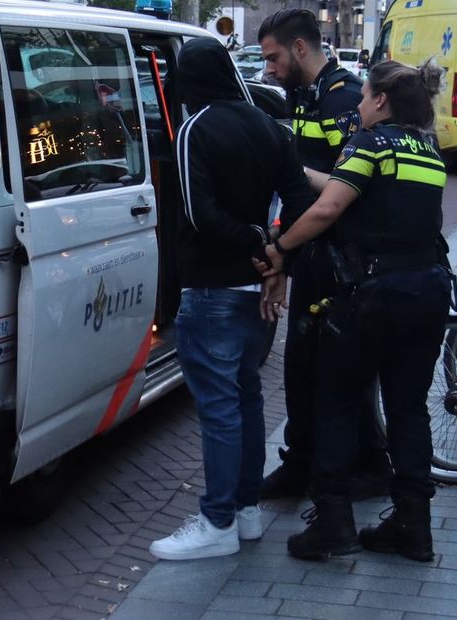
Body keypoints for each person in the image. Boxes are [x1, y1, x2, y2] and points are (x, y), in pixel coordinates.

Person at [258, 59, 452, 563]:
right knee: (408, 409)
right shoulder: (427, 151)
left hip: (374, 294)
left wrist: (279, 247)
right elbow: (361, 191)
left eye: (366, 97)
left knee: (337, 400)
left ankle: (333, 522)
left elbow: (329, 210)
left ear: (381, 101)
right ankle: (413, 525)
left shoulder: (371, 143)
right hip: (428, 289)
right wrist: (302, 171)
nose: (360, 105)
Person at [148, 36, 314, 561]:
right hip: (259, 291)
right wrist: (278, 254)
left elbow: (198, 214)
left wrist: (257, 242)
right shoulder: (269, 126)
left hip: (213, 287)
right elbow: (301, 200)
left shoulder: (195, 128)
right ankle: (244, 512)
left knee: (219, 408)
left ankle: (216, 520)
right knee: (244, 400)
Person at [255, 8, 392, 503]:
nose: (268, 68)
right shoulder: (305, 95)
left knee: (338, 370)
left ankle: (367, 466)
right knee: (302, 364)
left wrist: (284, 172)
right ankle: (303, 463)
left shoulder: (342, 99)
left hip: (337, 258)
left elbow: (339, 188)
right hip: (313, 250)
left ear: (298, 48)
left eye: (272, 57)